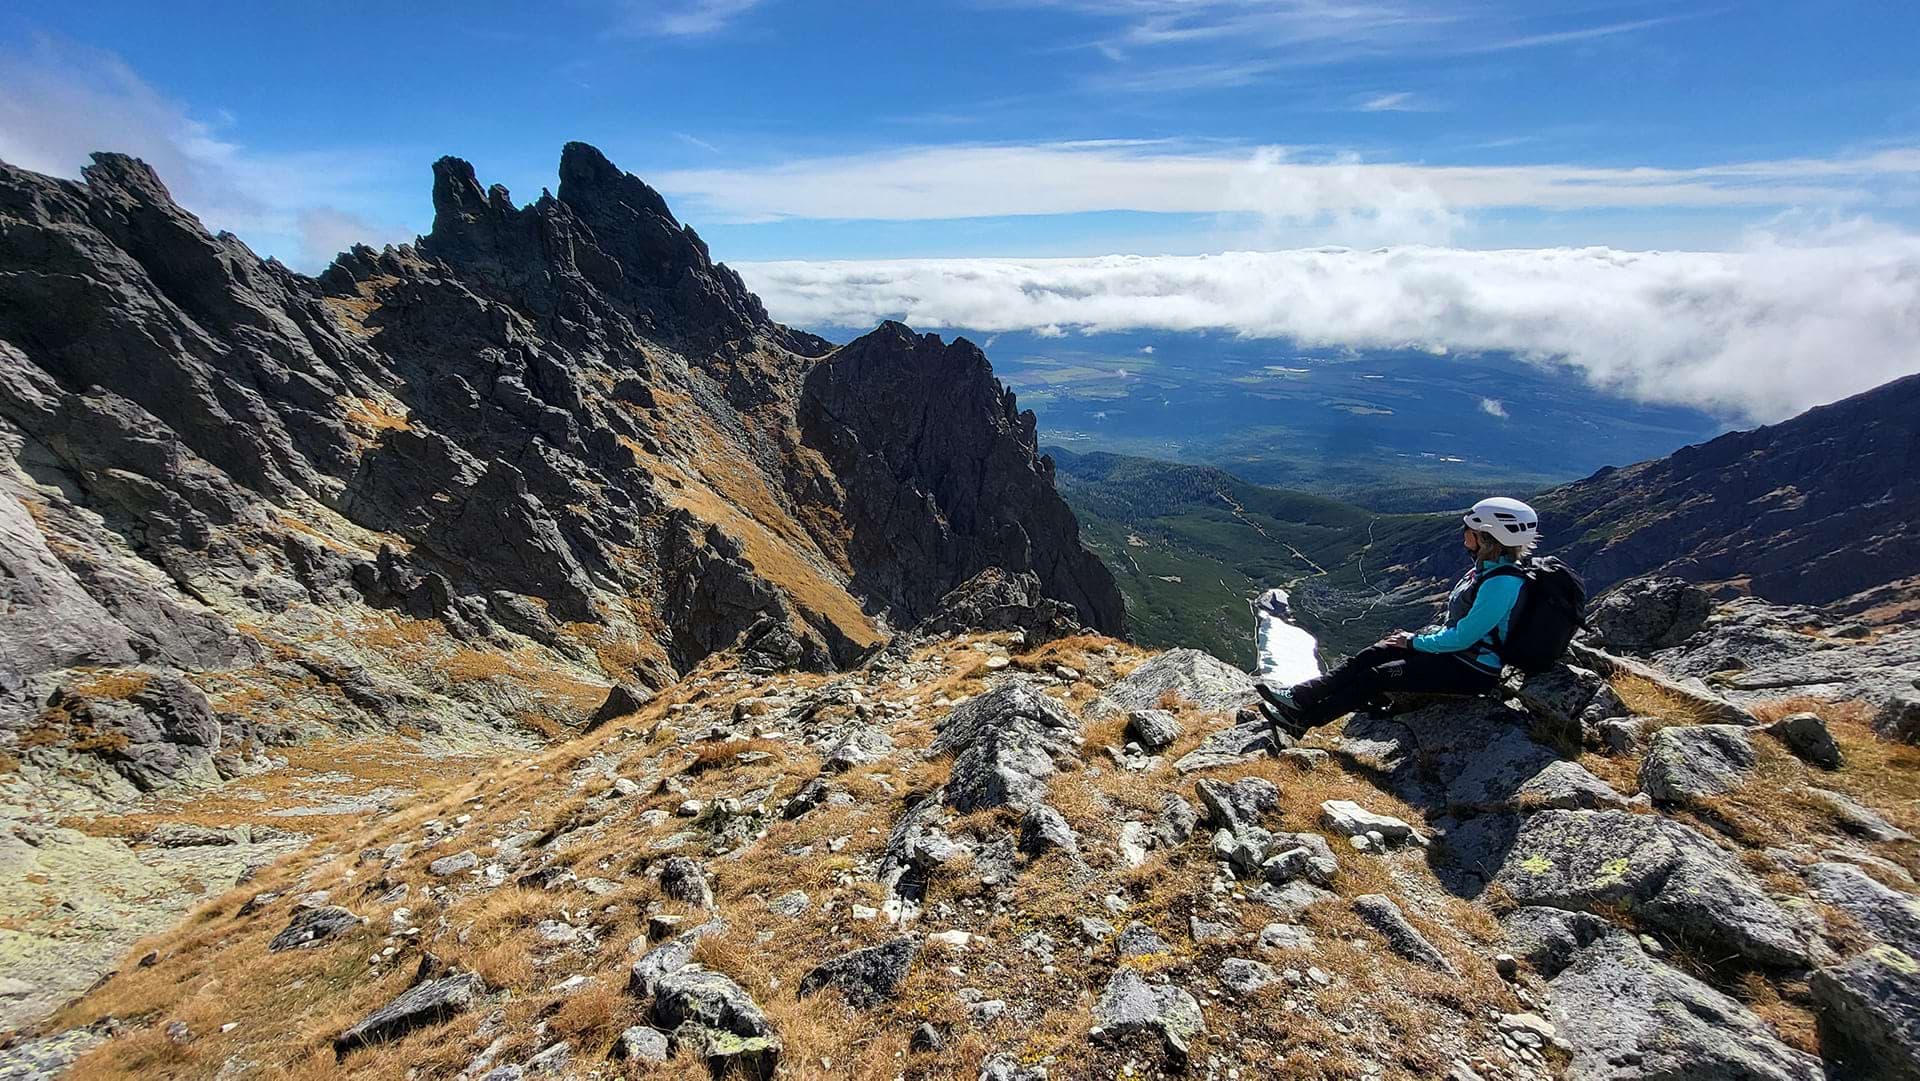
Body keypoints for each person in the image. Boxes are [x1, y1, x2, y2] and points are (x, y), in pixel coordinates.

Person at [1258, 496, 1540, 739]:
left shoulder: (1500, 583)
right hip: (1458, 657)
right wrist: (1412, 642)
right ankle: (1299, 697)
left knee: (1376, 676)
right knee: (1375, 653)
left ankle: (1303, 721)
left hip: (1471, 669)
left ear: (1487, 537)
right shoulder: (1489, 570)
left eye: (1470, 528)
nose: (1464, 532)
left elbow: (1464, 637)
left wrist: (1415, 642)